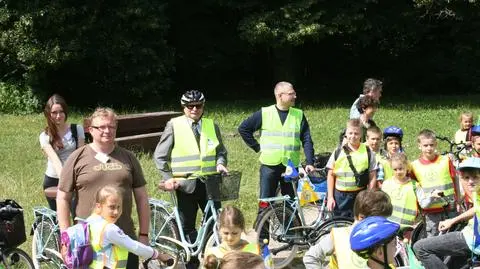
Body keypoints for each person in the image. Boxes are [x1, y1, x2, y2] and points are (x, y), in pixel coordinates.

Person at [57, 107, 150, 269]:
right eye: (102, 127)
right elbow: (63, 198)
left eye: (111, 127)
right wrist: (65, 238)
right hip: (87, 244)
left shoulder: (128, 157)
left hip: (124, 239)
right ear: (91, 130)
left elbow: (142, 197)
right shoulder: (77, 157)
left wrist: (143, 235)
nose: (107, 131)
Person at [154, 90, 228, 269]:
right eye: (190, 106)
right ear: (184, 107)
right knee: (187, 225)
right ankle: (191, 262)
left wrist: (220, 163)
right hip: (185, 184)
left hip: (210, 183)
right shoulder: (174, 125)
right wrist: (168, 178)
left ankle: (211, 259)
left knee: (215, 223)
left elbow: (221, 151)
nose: (194, 109)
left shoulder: (211, 125)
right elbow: (160, 156)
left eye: (198, 106)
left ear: (203, 106)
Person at [237, 81, 315, 214]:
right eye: (291, 94)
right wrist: (257, 147)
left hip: (291, 165)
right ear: (280, 96)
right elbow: (243, 128)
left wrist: (309, 161)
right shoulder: (265, 113)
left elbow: (307, 139)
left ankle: (291, 232)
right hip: (269, 165)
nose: (295, 96)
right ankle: (263, 233)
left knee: (291, 202)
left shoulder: (299, 115)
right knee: (265, 202)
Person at [413, 157, 480, 269]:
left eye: (475, 177)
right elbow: (476, 209)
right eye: (466, 178)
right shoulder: (477, 192)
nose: (470, 181)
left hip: (471, 241)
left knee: (420, 248)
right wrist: (453, 220)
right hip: (469, 235)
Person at [86, 185, 172, 268]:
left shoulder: (89, 222)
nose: (116, 212)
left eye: (119, 207)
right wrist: (158, 255)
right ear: (99, 206)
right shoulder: (109, 229)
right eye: (112, 207)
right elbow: (134, 247)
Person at [303, 189, 393, 269]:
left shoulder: (379, 239)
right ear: (362, 217)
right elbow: (310, 257)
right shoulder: (339, 236)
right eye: (380, 222)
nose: (383, 226)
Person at [39, 94, 85, 210]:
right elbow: (55, 160)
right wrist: (66, 181)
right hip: (54, 179)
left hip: (75, 178)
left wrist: (75, 179)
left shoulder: (76, 129)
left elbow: (81, 155)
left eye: (61, 112)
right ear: (48, 114)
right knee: (58, 219)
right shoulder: (45, 136)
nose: (58, 116)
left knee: (78, 215)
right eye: (54, 113)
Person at [410, 129, 459, 237]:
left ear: (436, 144)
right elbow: (414, 190)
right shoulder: (414, 166)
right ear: (419, 146)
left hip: (450, 208)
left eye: (431, 145)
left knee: (452, 236)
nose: (429, 148)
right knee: (433, 239)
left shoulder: (445, 160)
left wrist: (459, 200)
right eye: (425, 145)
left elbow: (455, 179)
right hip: (430, 212)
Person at [327, 119, 377, 217]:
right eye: (350, 133)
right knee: (340, 225)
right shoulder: (338, 151)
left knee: (359, 224)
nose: (353, 136)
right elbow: (330, 175)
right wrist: (330, 197)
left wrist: (369, 196)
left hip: (360, 195)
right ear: (346, 134)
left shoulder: (368, 152)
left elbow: (372, 175)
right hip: (340, 197)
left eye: (356, 133)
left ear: (361, 135)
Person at [381, 153, 442, 228]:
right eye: (395, 169)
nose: (398, 172)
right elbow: (381, 205)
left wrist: (432, 197)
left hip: (407, 228)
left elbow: (423, 204)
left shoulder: (414, 185)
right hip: (388, 226)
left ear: (406, 167)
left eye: (401, 169)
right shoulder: (387, 184)